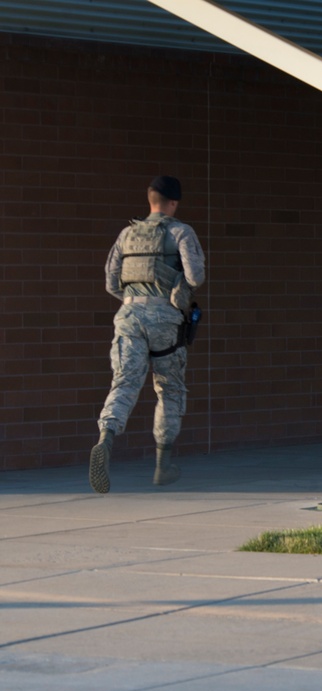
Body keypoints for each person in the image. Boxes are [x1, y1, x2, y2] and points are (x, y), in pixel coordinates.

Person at [89, 176, 206, 494]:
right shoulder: (180, 231)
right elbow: (196, 275)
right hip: (166, 321)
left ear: (150, 199)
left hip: (127, 316)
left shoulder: (127, 234)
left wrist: (135, 301)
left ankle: (106, 439)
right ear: (173, 203)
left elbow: (111, 282)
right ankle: (162, 465)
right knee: (169, 389)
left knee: (124, 383)